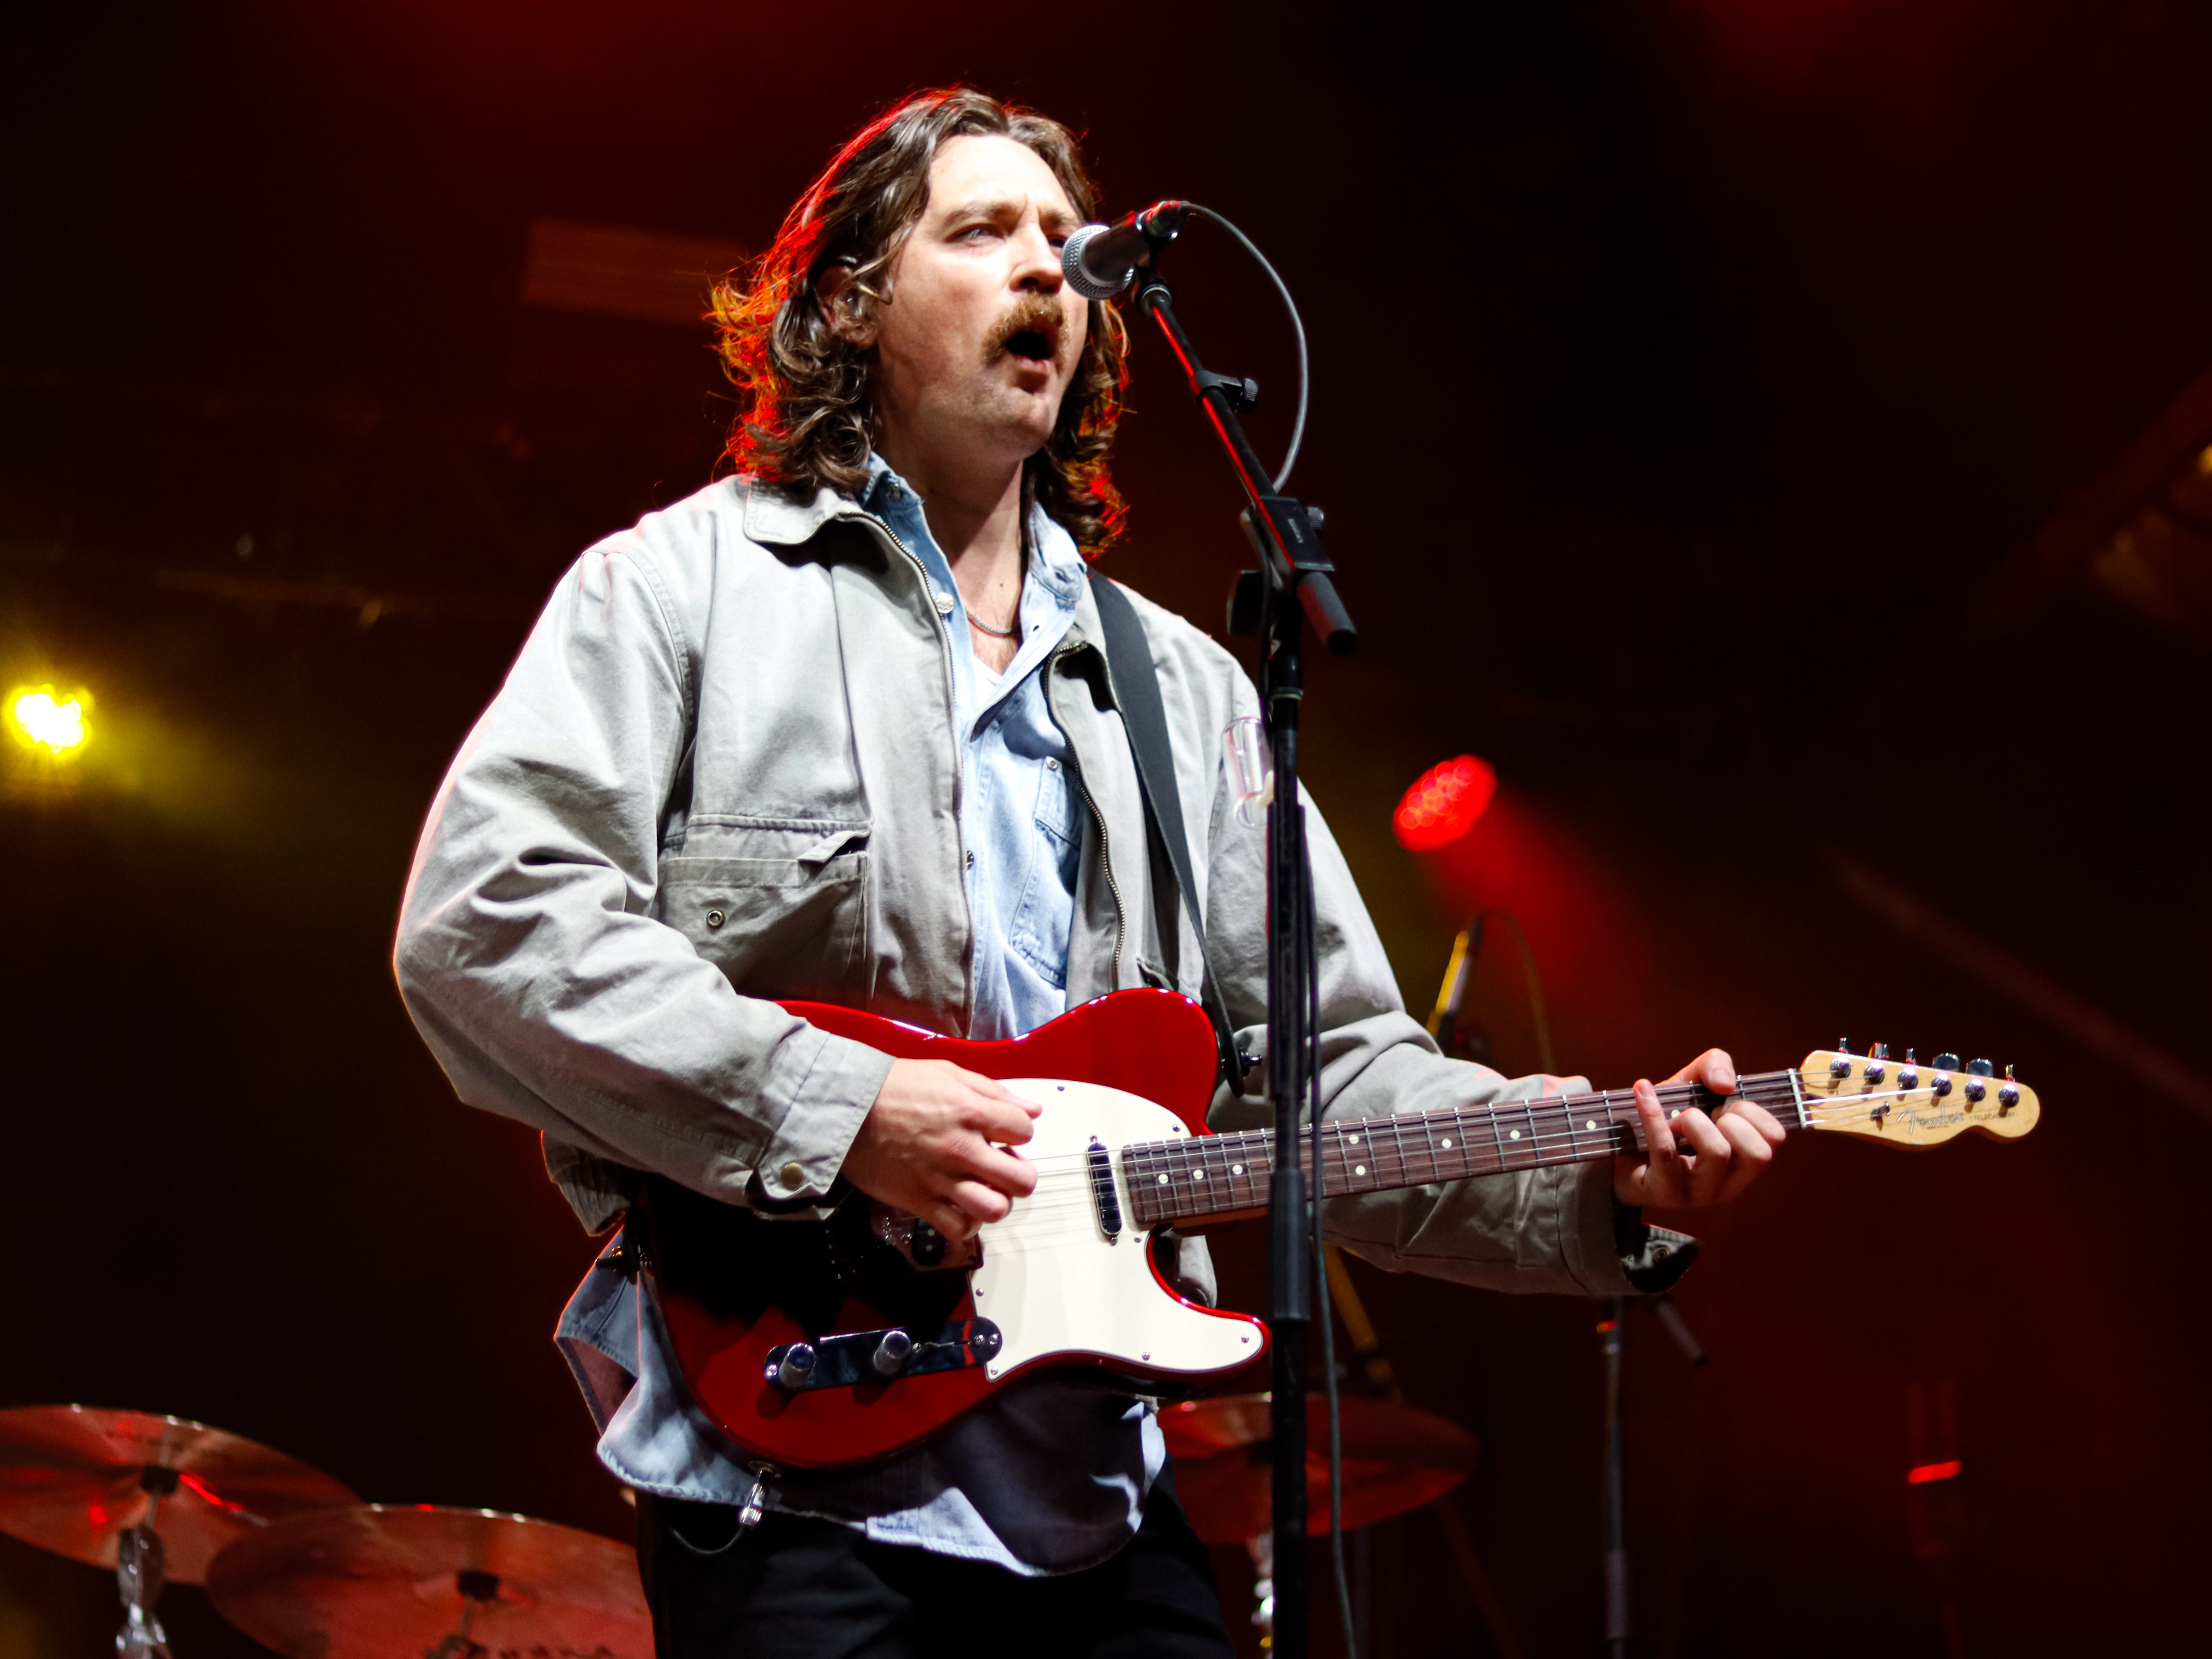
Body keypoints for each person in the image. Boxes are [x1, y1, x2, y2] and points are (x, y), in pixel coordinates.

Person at [393, 86, 1783, 1658]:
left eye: (1064, 238)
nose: (1046, 267)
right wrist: (847, 1110)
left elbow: (1328, 1074)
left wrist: (1599, 1182)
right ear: (850, 303)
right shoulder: (682, 588)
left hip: (1098, 1487)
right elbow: (487, 924)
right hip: (790, 1468)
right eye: (982, 232)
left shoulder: (1181, 689)